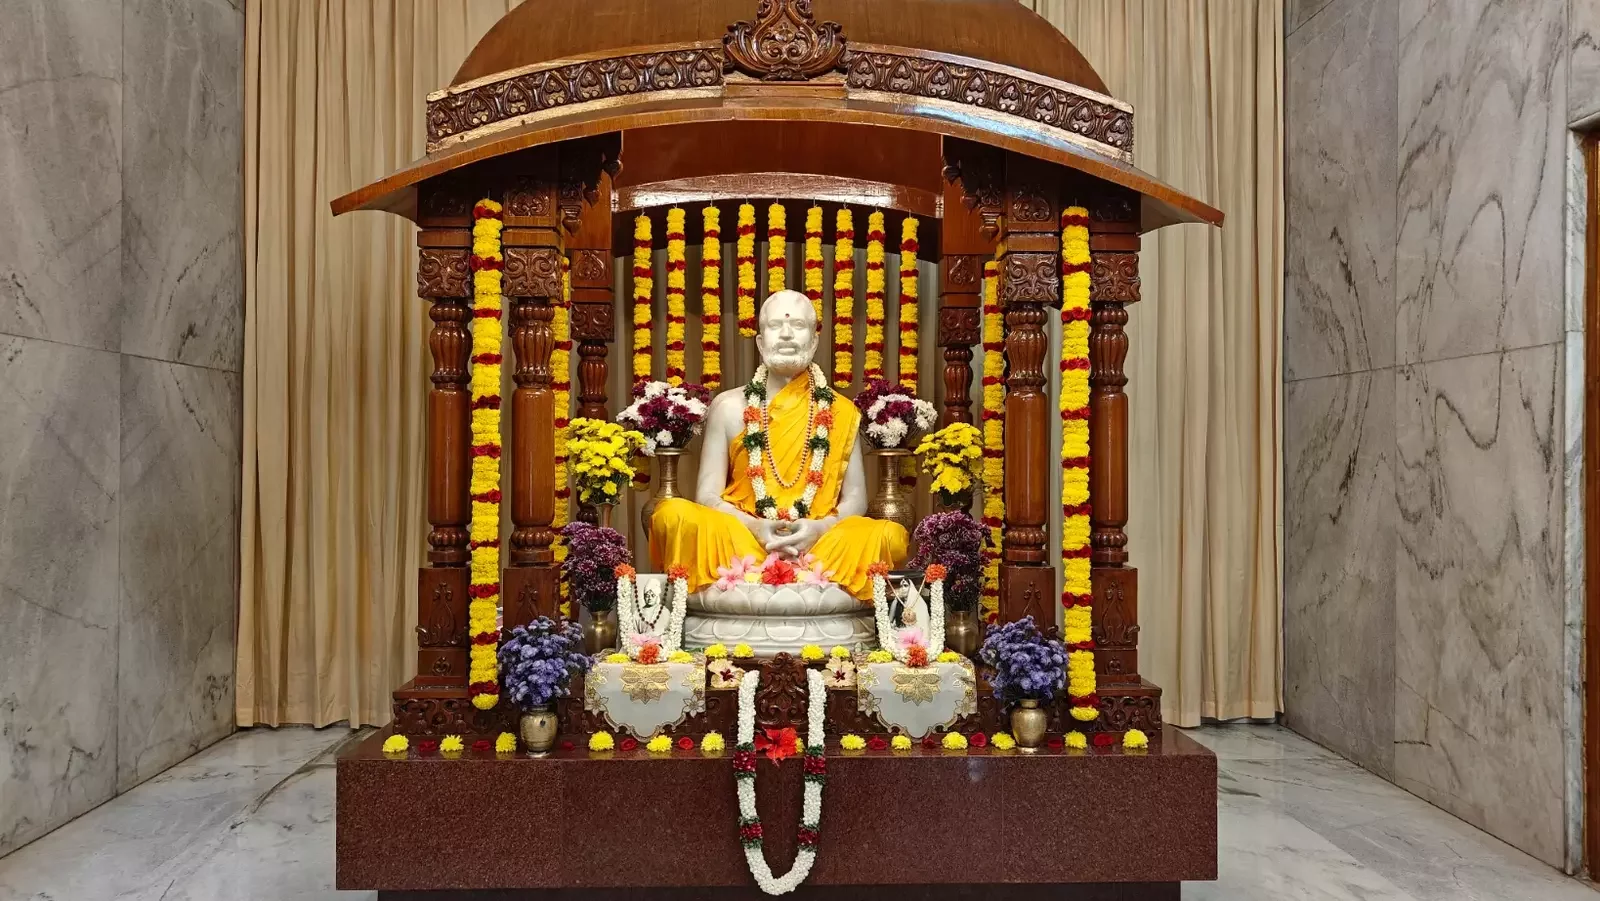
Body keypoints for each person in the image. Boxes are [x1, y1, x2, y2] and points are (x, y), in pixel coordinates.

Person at [648, 290, 907, 600]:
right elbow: (707, 495)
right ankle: (791, 575)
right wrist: (755, 528)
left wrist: (818, 529)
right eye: (775, 325)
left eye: (798, 325)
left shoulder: (842, 411)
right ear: (760, 342)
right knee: (672, 514)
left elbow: (855, 499)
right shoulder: (728, 406)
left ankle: (779, 574)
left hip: (820, 541)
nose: (786, 334)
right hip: (742, 537)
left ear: (814, 341)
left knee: (889, 536)